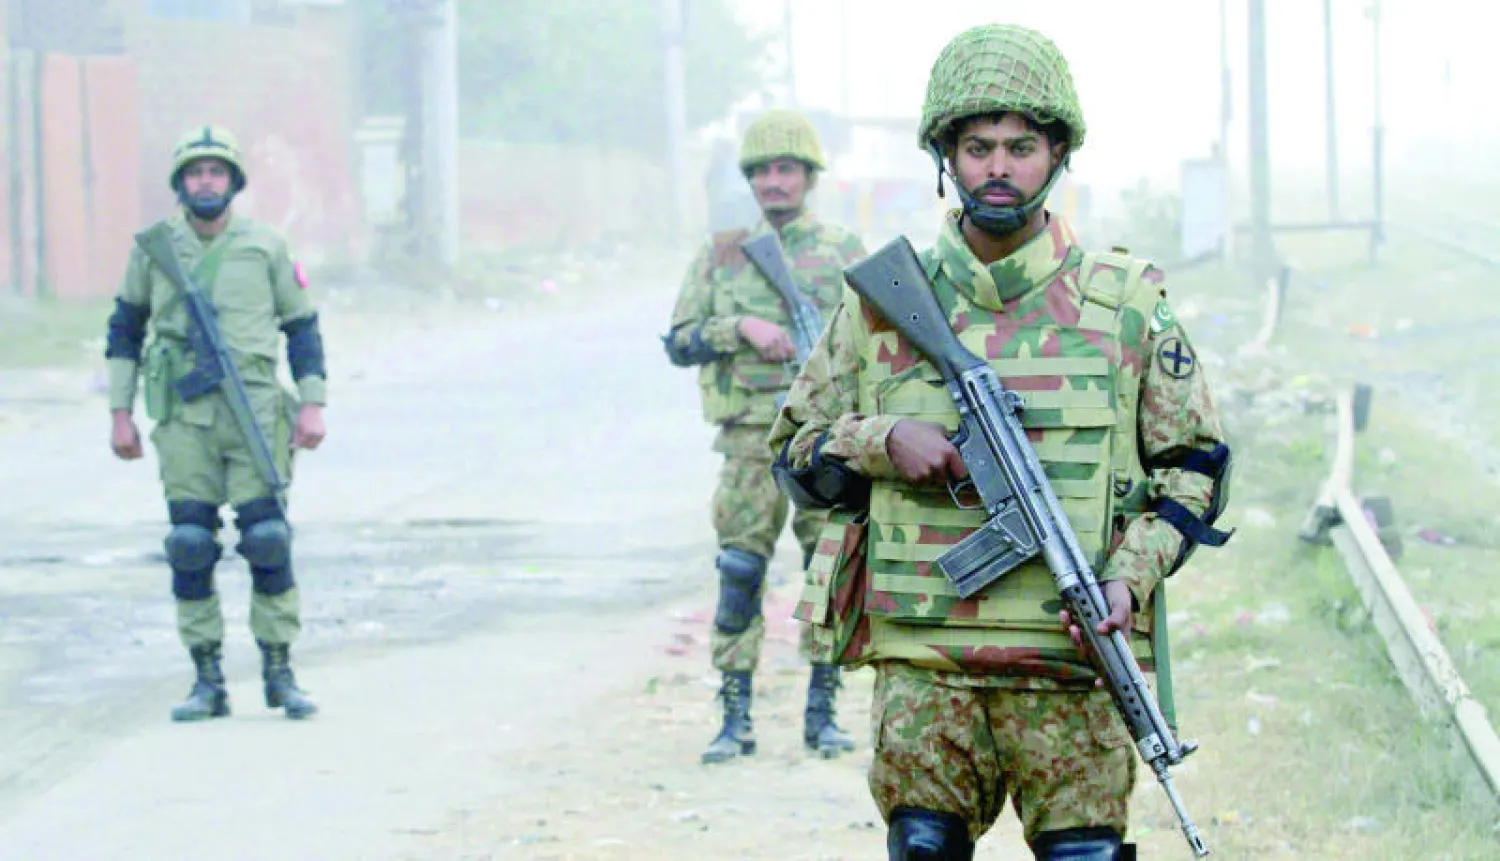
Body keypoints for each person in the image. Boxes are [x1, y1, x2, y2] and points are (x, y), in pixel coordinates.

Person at [768, 24, 1231, 860]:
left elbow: (1194, 467)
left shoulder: (1124, 305)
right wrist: (881, 438)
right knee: (922, 847)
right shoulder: (879, 304)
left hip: (1073, 665)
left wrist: (1129, 577)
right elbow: (795, 454)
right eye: (977, 146)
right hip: (925, 669)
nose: (998, 167)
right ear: (946, 155)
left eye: (1021, 146)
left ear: (1057, 155)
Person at [662, 109, 869, 763]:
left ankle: (822, 712)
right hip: (750, 437)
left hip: (820, 440)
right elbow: (680, 340)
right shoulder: (723, 251)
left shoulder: (843, 251)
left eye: (786, 169)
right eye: (762, 171)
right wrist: (740, 329)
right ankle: (734, 715)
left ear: (809, 176)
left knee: (826, 573)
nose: (774, 182)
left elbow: (881, 343)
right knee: (740, 571)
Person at [105, 125, 328, 722]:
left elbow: (301, 327)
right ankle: (206, 678)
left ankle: (279, 670)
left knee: (268, 539)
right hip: (183, 416)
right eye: (196, 173)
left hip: (253, 407)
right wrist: (120, 412)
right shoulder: (155, 249)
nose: (206, 182)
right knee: (190, 544)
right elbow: (124, 328)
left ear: (232, 182)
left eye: (216, 172)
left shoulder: (266, 246)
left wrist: (312, 401)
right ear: (181, 184)